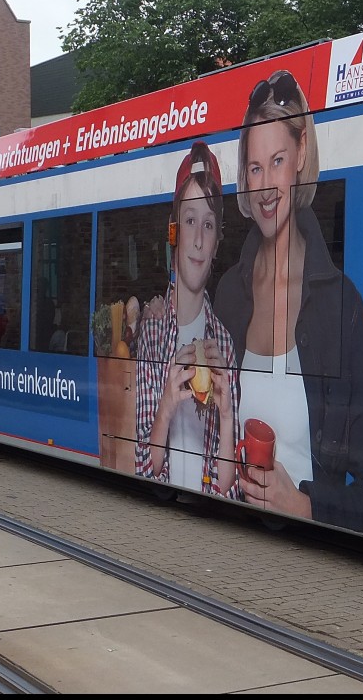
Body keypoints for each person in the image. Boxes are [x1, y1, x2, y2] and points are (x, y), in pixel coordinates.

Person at [213, 69, 363, 538]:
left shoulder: (340, 305)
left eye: (277, 161)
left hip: (307, 566)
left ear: (301, 155)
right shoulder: (228, 295)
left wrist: (301, 505)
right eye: (254, 168)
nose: (265, 186)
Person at [133, 141, 239, 496]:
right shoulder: (151, 331)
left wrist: (226, 413)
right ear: (173, 232)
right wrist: (167, 403)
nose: (197, 240)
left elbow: (228, 487)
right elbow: (145, 468)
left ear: (217, 244)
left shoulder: (223, 344)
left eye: (208, 225)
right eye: (190, 220)